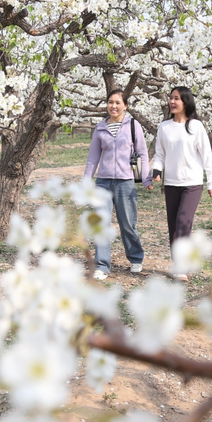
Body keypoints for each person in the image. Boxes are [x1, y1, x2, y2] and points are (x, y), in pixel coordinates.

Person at [84, 90, 153, 280]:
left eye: (117, 102)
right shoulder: (100, 128)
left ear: (125, 105)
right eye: (110, 102)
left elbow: (142, 153)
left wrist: (145, 178)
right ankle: (102, 265)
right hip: (103, 183)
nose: (113, 106)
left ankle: (136, 258)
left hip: (125, 182)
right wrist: (86, 181)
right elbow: (93, 158)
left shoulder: (133, 125)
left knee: (128, 224)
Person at [152, 86, 212, 281]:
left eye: (177, 98)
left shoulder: (196, 126)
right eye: (171, 98)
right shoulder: (164, 127)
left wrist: (211, 182)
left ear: (186, 102)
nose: (172, 102)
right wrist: (157, 170)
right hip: (171, 183)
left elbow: (207, 156)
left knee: (183, 221)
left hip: (192, 183)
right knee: (173, 225)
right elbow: (160, 154)